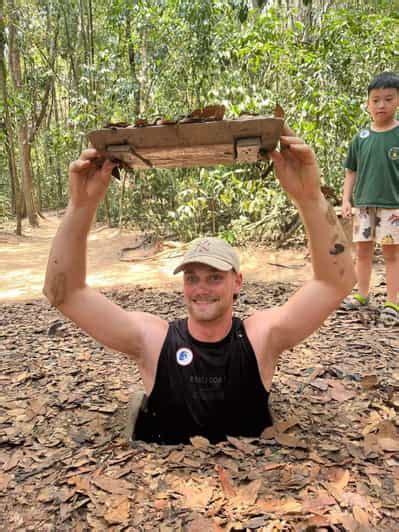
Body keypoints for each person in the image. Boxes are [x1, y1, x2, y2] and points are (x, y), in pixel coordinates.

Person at [43, 125, 355, 444]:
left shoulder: (261, 338)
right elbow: (64, 293)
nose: (201, 288)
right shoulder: (153, 341)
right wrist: (80, 207)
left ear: (237, 282)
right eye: (192, 278)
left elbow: (335, 283)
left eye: (215, 277)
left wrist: (310, 197)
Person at [341, 71, 399, 324]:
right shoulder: (360, 138)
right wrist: (346, 200)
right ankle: (362, 295)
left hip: (393, 208)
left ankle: (393, 302)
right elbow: (351, 171)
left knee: (392, 255)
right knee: (362, 253)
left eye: (388, 99)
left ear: (398, 101)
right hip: (364, 206)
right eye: (375, 100)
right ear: (367, 104)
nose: (381, 105)